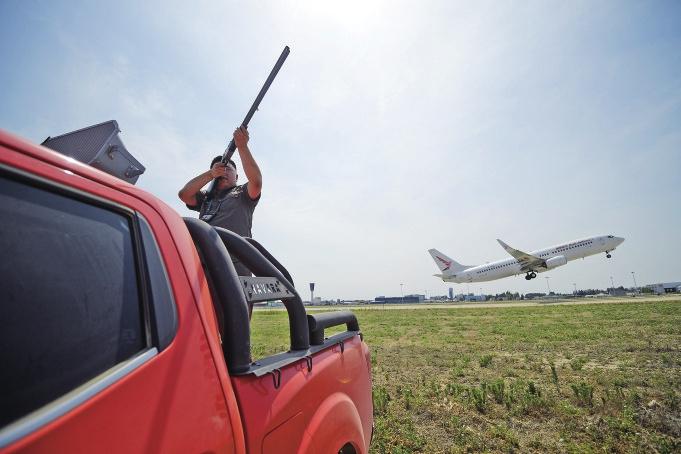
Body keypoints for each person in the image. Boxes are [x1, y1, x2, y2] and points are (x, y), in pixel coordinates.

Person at [178, 126, 262, 276]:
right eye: (219, 168)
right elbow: (184, 194)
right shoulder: (206, 197)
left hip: (235, 270)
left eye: (228, 168)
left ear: (236, 177)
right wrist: (210, 174)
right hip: (204, 267)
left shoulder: (242, 193)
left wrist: (242, 146)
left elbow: (256, 182)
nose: (223, 171)